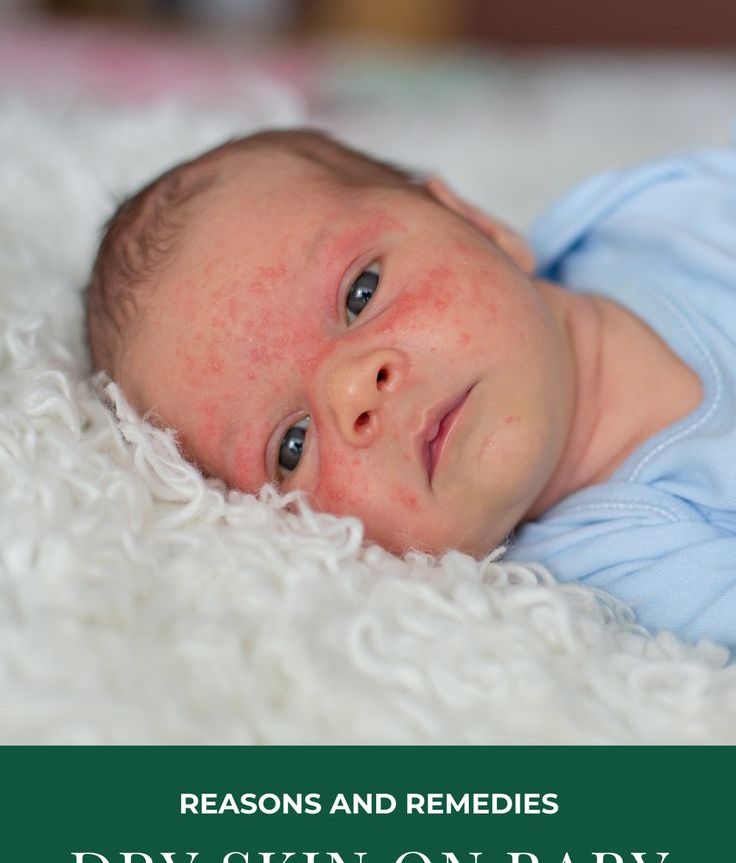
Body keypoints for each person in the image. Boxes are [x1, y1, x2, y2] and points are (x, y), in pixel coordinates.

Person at [85, 127, 736, 653]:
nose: (353, 394)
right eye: (292, 445)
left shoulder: (659, 218)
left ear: (478, 223)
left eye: (360, 292)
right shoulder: (623, 582)